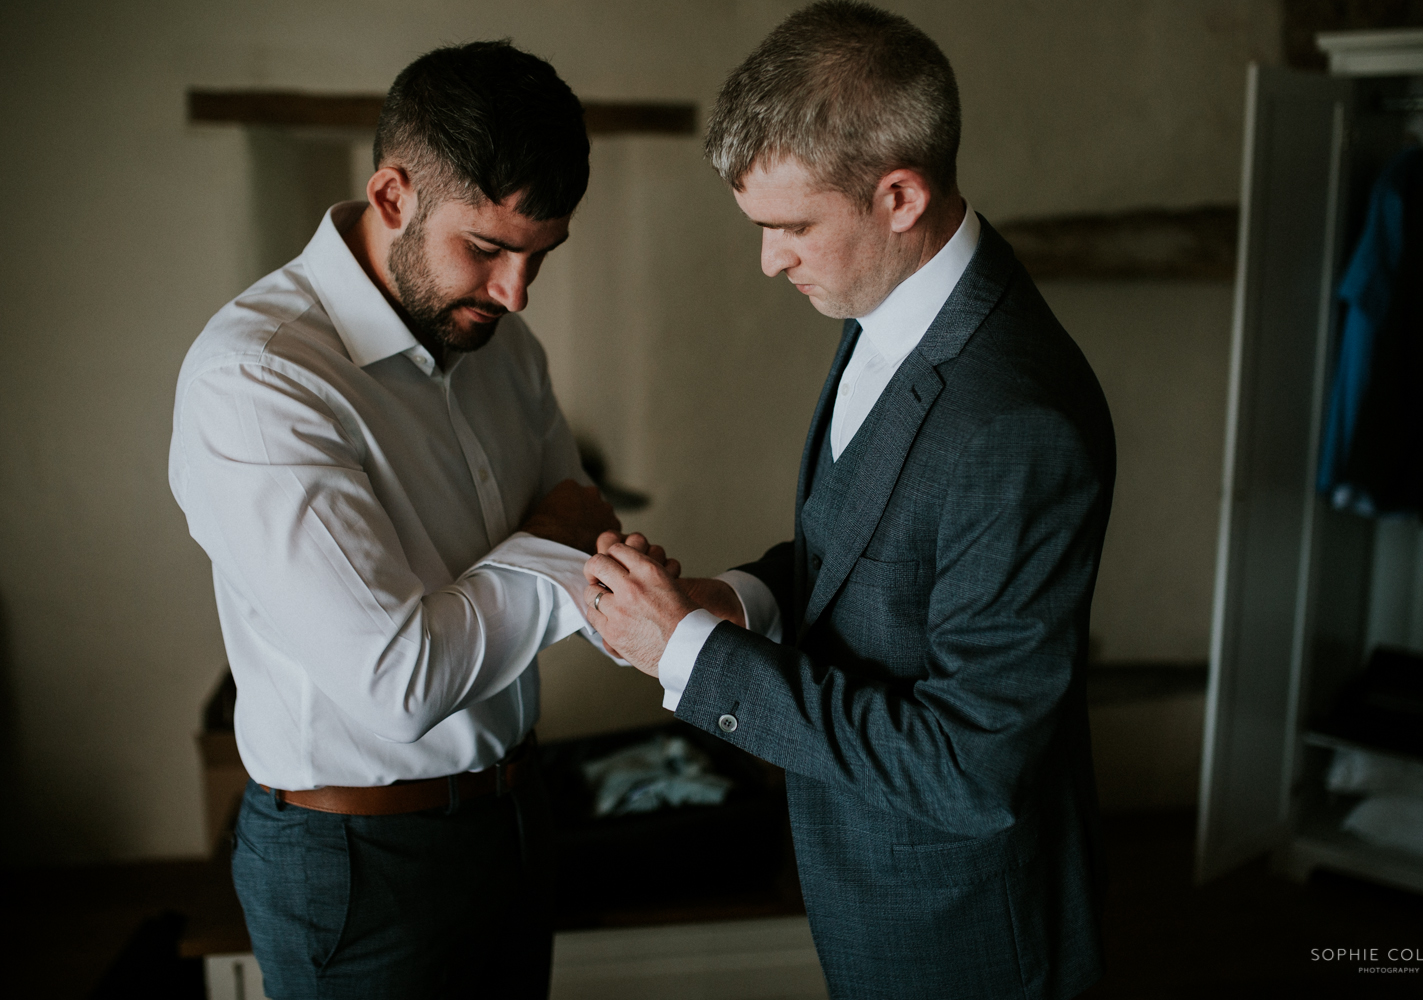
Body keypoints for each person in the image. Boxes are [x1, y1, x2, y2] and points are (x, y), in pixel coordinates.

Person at [584, 4, 1115, 997]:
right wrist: (729, 602)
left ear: (900, 195)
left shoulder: (1017, 423)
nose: (769, 260)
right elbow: (877, 549)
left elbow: (971, 768)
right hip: (866, 885)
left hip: (965, 937)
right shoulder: (893, 297)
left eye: (789, 228)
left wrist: (694, 658)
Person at [168, 40, 662, 999]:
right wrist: (556, 546)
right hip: (357, 861)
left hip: (518, 821)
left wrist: (584, 565)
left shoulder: (506, 348)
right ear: (393, 195)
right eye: (486, 248)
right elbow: (400, 682)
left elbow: (589, 539)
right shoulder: (260, 377)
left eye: (539, 257)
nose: (515, 294)